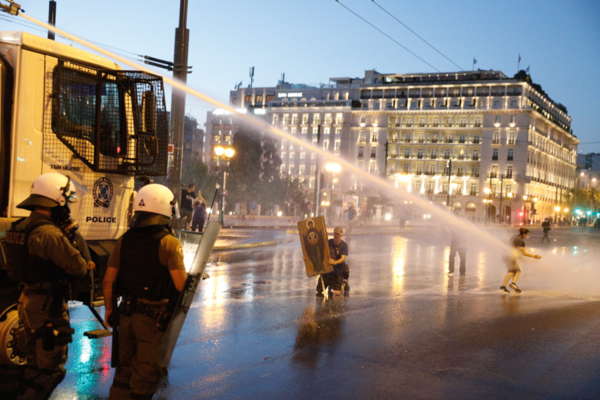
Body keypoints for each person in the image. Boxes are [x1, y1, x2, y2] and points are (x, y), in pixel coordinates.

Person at [3, 173, 93, 400]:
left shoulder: (21, 226)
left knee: (33, 364)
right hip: (47, 308)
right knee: (50, 369)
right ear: (58, 201)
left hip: (27, 302)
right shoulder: (49, 234)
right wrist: (72, 232)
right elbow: (80, 267)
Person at [104, 184, 188, 400]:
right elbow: (181, 286)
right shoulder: (169, 243)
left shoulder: (125, 239)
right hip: (152, 321)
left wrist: (110, 311)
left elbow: (108, 280)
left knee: (123, 373)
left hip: (126, 315)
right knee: (145, 378)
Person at [500, 227, 542, 293]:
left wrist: (527, 249)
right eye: (527, 234)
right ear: (524, 234)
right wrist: (535, 256)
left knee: (517, 270)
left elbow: (515, 246)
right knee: (512, 271)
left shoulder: (516, 236)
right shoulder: (521, 241)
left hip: (506, 255)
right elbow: (524, 253)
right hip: (509, 256)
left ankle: (507, 285)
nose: (528, 236)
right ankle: (508, 285)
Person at [316, 227, 349, 296]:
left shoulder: (344, 245)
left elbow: (343, 258)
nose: (336, 236)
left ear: (341, 235)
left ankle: (344, 283)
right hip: (328, 269)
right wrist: (307, 258)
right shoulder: (329, 242)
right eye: (335, 234)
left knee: (336, 293)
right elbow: (320, 252)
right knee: (319, 290)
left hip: (338, 270)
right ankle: (330, 284)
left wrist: (334, 262)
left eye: (338, 234)